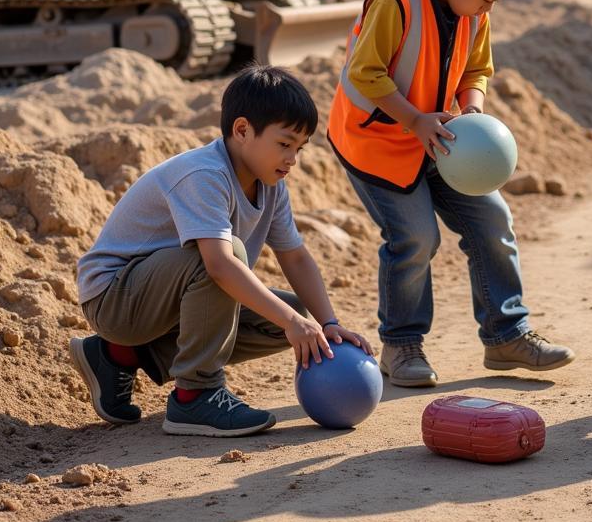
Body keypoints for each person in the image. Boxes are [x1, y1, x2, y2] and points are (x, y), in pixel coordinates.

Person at [327, 0, 574, 387]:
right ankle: (401, 346)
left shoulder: (474, 10)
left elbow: (476, 70)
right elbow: (365, 73)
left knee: (493, 220)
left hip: (441, 139)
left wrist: (473, 112)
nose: (487, 10)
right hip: (376, 141)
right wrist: (414, 120)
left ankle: (506, 335)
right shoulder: (394, 1)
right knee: (416, 238)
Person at [71, 65, 372, 437]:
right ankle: (195, 396)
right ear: (243, 130)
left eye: (299, 148)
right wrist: (296, 325)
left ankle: (117, 356)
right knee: (223, 257)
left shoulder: (271, 186)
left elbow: (294, 256)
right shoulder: (205, 175)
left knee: (291, 315)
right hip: (114, 298)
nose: (293, 158)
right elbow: (218, 266)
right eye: (284, 144)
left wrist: (327, 325)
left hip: (157, 299)